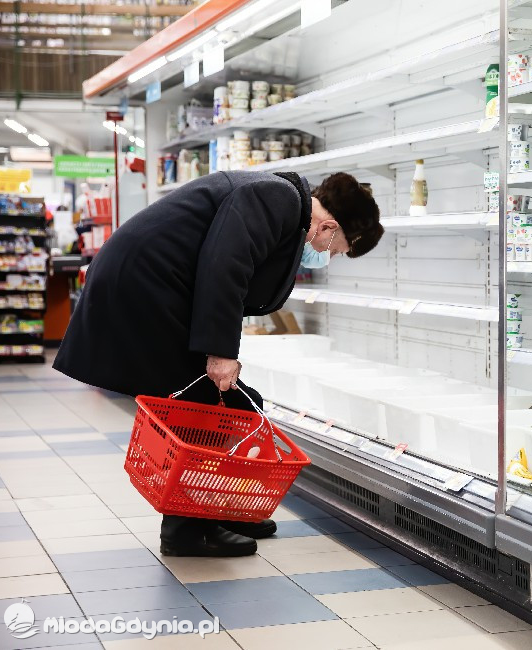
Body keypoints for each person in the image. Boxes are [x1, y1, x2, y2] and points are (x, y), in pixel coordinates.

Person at [53, 170, 383, 557]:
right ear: (328, 227)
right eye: (338, 249)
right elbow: (225, 265)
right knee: (202, 406)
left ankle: (223, 509)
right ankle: (188, 531)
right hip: (147, 285)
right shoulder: (277, 199)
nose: (330, 256)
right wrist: (220, 351)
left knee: (242, 404)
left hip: (159, 286)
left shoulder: (284, 207)